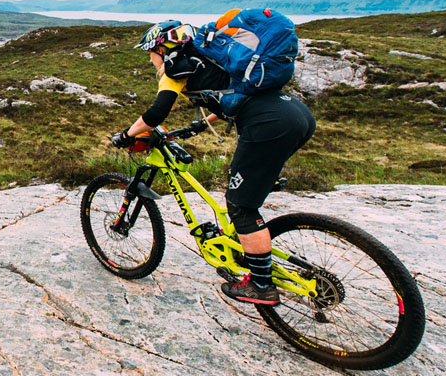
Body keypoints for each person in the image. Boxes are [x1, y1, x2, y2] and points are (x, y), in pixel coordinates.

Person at [111, 19, 315, 305]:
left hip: (268, 123)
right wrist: (201, 124)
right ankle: (247, 245)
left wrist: (125, 135)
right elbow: (233, 95)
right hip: (296, 115)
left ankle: (261, 286)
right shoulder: (214, 57)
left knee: (241, 206)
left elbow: (156, 114)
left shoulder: (175, 68)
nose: (150, 59)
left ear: (162, 49)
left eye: (151, 53)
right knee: (246, 186)